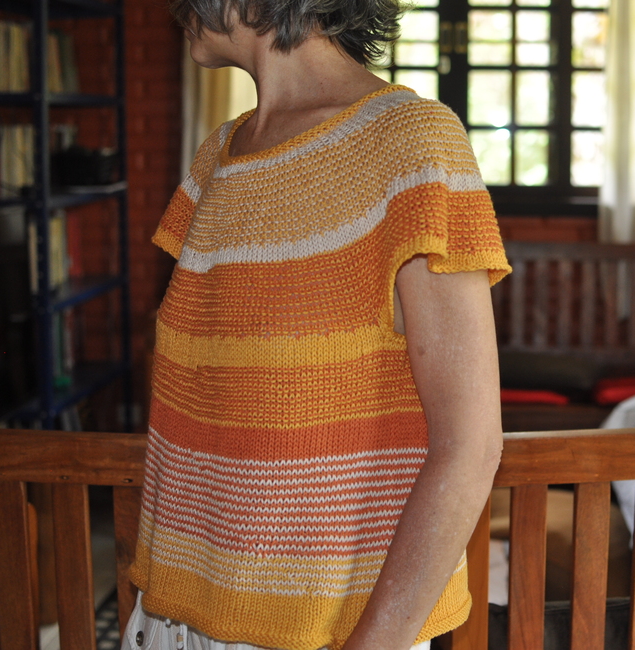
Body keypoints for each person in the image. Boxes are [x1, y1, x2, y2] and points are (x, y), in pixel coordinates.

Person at [121, 0, 510, 648]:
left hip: (322, 632)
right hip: (168, 618)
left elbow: (470, 448)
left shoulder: (411, 142)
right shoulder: (217, 155)